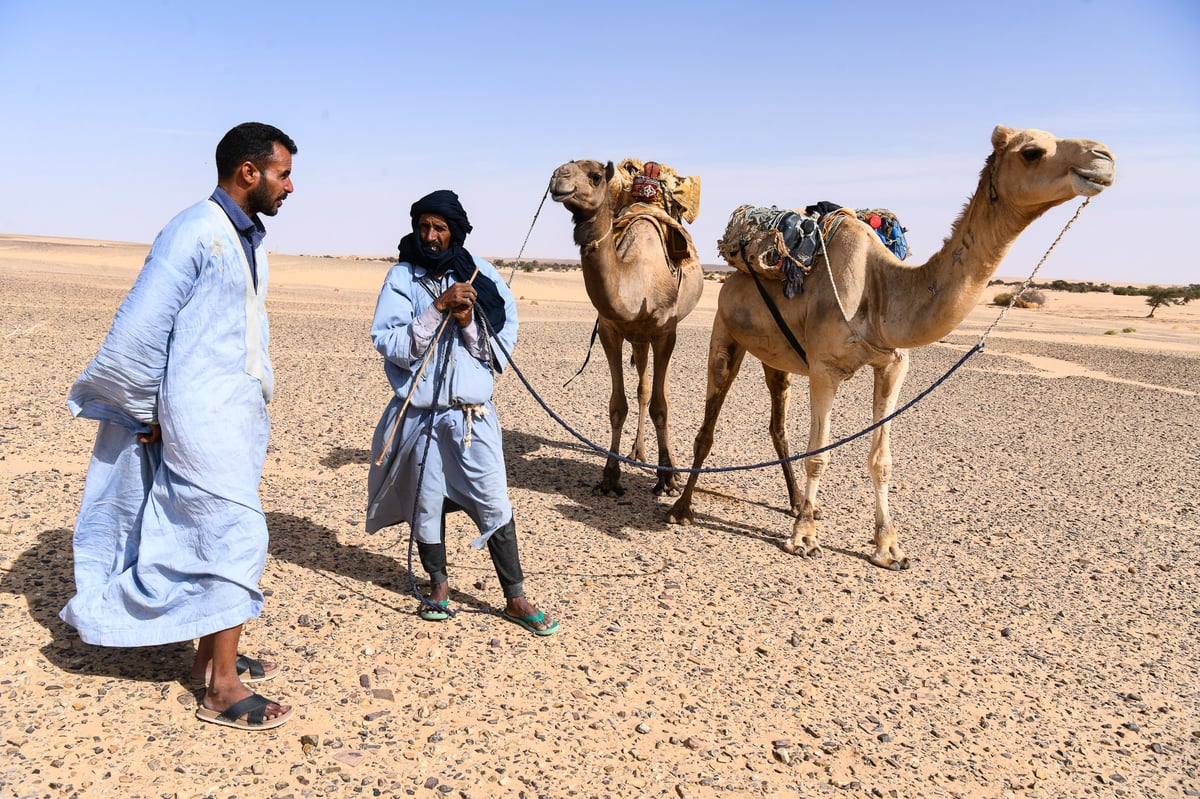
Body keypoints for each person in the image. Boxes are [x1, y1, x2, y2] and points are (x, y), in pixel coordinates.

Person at [61, 122, 299, 730]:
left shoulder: (245, 238)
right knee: (235, 534)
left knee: (208, 527)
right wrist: (145, 410)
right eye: (284, 173)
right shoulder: (193, 230)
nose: (290, 187)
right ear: (250, 172)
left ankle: (205, 658)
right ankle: (221, 687)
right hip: (197, 414)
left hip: (234, 412)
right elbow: (143, 324)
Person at [366, 190, 558, 636]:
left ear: (456, 231)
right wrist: (436, 308)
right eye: (424, 227)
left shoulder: (482, 276)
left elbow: (498, 351)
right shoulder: (402, 278)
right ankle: (438, 587)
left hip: (473, 417)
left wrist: (470, 320)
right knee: (426, 501)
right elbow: (389, 342)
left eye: (440, 228)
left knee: (495, 501)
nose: (430, 237)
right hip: (422, 416)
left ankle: (515, 597)